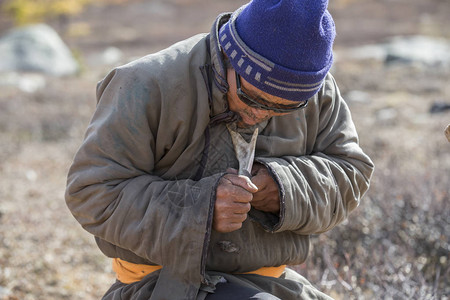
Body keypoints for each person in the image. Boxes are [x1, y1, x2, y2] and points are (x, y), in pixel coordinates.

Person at [65, 0, 374, 299]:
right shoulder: (144, 84)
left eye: (284, 109)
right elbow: (92, 192)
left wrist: (284, 187)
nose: (260, 114)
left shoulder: (315, 91)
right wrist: (202, 208)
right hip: (162, 283)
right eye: (253, 98)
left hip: (273, 283)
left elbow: (352, 172)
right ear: (229, 56)